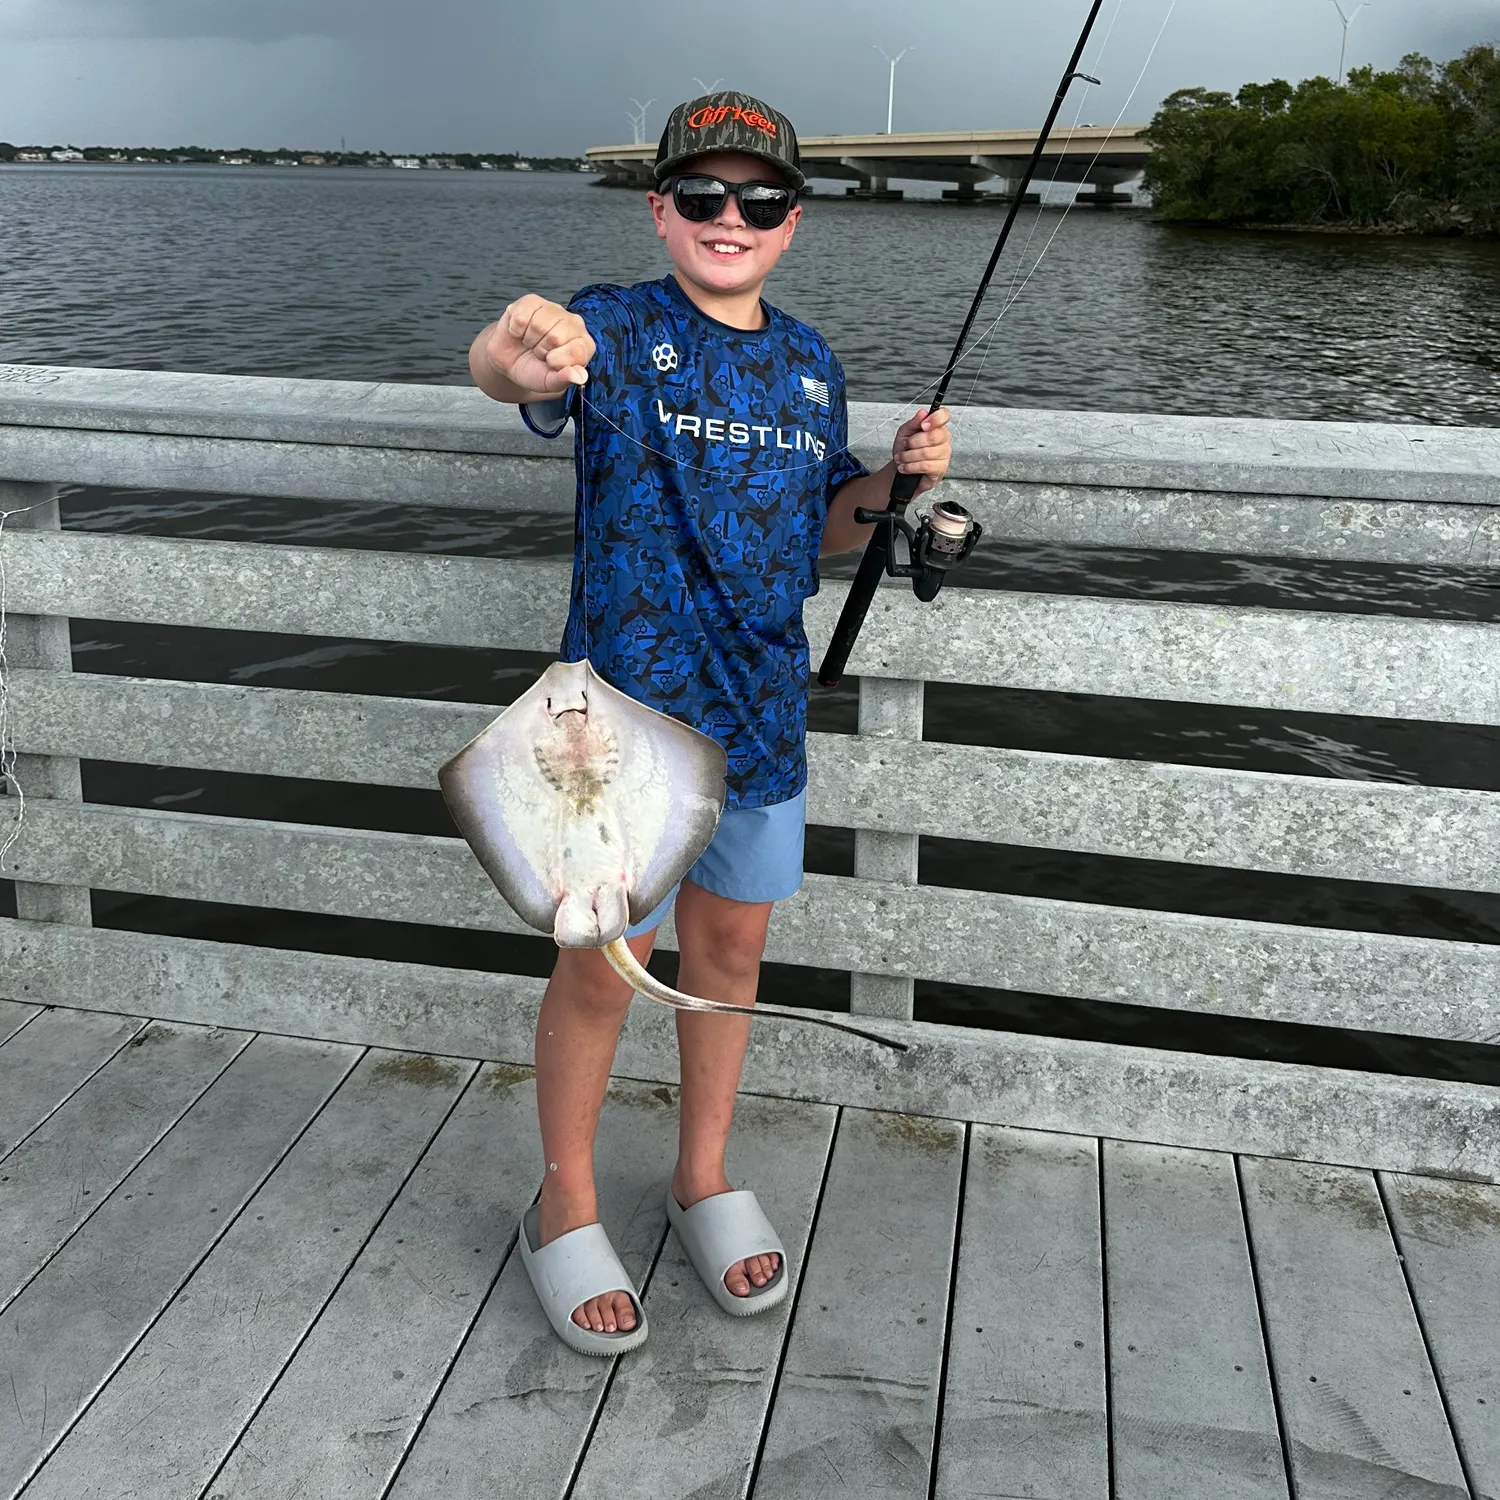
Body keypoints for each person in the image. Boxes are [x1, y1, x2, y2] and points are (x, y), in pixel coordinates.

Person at [468, 89, 952, 1355]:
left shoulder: (810, 362)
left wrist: (893, 485)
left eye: (758, 200)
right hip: (616, 724)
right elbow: (513, 368)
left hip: (761, 710)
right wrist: (516, 350)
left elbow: (821, 530)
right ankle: (563, 1200)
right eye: (702, 196)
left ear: (791, 223)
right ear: (661, 209)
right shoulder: (614, 328)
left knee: (728, 953)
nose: (728, 218)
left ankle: (700, 1173)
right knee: (598, 961)